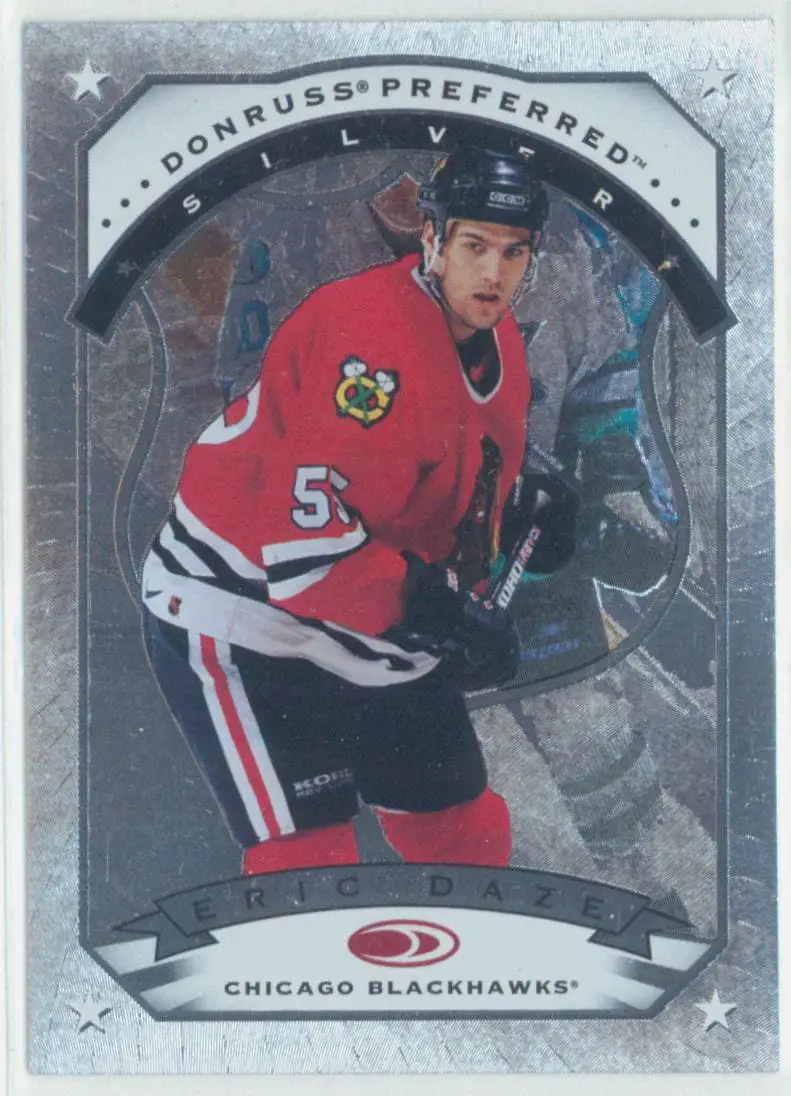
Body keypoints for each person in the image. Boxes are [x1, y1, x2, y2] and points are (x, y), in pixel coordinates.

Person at [141, 147, 571, 877]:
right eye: (474, 245)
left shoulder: (494, 336)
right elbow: (303, 555)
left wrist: (523, 507)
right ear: (432, 239)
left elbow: (445, 469)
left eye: (513, 251)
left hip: (368, 602)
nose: (493, 273)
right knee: (309, 869)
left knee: (464, 836)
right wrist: (445, 615)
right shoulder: (368, 346)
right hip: (245, 611)